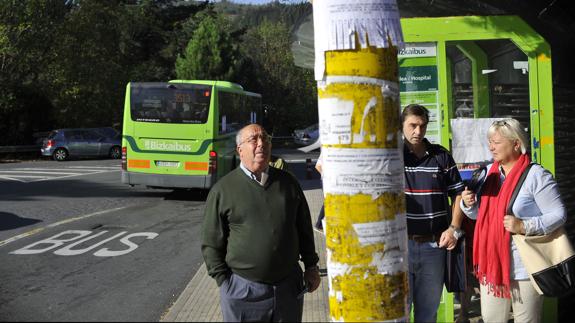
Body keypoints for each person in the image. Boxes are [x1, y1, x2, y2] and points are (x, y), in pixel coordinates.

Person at [201, 124, 321, 322]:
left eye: (265, 138)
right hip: (242, 290)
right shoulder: (223, 189)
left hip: (288, 288)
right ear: (240, 150)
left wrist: (311, 266)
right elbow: (211, 241)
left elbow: (304, 228)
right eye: (253, 140)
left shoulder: (288, 183)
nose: (261, 144)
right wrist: (225, 282)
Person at [460, 118, 566, 323]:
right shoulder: (488, 175)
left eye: (497, 142)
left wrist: (524, 225)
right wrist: (469, 205)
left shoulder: (537, 175)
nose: (491, 147)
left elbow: (559, 214)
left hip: (524, 267)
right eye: (490, 141)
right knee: (491, 319)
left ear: (516, 144)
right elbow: (481, 217)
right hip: (492, 267)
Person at [401, 104, 465, 322]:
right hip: (401, 248)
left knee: (427, 315)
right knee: (398, 313)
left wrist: (454, 228)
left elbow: (458, 194)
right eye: (412, 125)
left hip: (433, 247)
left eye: (422, 126)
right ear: (402, 125)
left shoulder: (441, 156)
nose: (418, 131)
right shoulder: (393, 157)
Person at [313, 150, 325, 233]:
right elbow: (317, 166)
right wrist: (325, 175)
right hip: (327, 181)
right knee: (328, 202)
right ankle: (319, 224)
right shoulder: (326, 152)